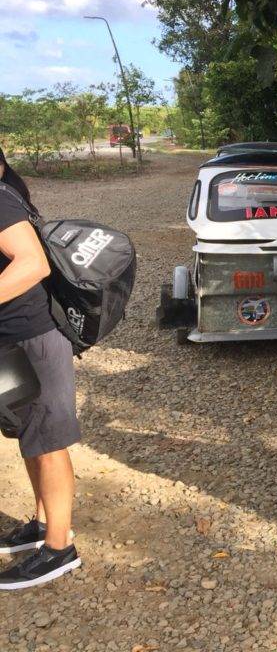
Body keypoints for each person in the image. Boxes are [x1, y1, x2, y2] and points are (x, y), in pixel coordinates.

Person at [0, 147, 81, 589]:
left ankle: (59, 548)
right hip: (10, 337)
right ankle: (42, 521)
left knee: (49, 439)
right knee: (29, 432)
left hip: (35, 334)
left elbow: (33, 264)